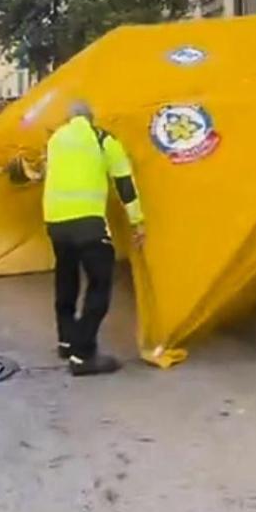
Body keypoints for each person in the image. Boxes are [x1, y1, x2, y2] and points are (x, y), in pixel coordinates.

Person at [42, 99, 145, 376]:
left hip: (55, 223)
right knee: (100, 282)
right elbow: (124, 182)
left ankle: (66, 340)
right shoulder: (103, 139)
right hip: (88, 224)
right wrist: (137, 221)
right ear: (91, 118)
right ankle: (83, 353)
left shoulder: (55, 140)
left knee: (66, 277)